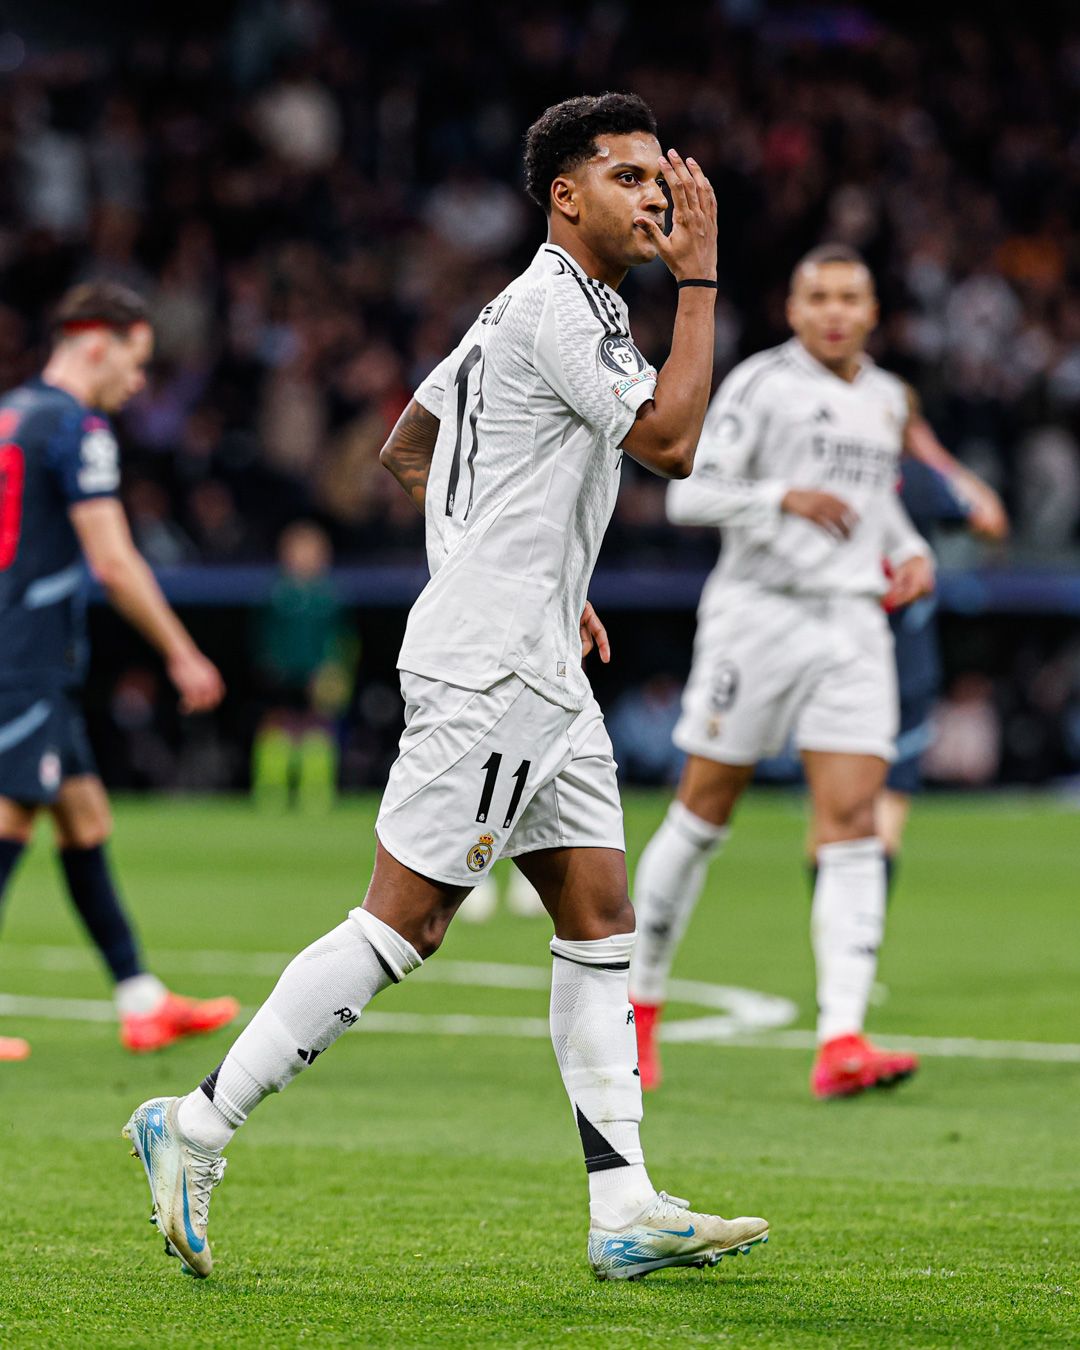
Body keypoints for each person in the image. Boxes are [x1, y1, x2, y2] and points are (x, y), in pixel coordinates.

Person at [124, 92, 769, 1283]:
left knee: (596, 915)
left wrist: (534, 561)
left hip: (534, 654)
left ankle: (622, 1205)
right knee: (405, 919)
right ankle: (195, 1123)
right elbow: (675, 444)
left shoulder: (519, 312)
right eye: (627, 177)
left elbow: (409, 444)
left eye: (657, 179)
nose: (656, 197)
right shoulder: (558, 305)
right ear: (564, 195)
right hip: (493, 664)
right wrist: (706, 282)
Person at [628, 244, 934, 1100]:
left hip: (852, 626)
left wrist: (910, 553)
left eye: (850, 297)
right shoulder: (761, 385)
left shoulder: (884, 399)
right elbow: (686, 494)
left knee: (853, 821)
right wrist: (781, 498)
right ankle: (638, 1010)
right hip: (758, 615)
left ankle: (841, 1036)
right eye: (818, 296)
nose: (835, 311)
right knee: (704, 809)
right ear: (793, 310)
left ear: (872, 312)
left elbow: (881, 508)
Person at [0, 282, 238, 1063]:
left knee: (85, 816)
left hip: (29, 652)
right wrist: (181, 649)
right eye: (136, 362)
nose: (140, 383)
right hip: (23, 656)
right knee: (11, 820)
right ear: (97, 343)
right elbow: (111, 557)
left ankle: (140, 998)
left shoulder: (13, 414)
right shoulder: (77, 427)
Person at [250, 520, 356, 814]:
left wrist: (335, 670)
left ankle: (315, 792)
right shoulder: (276, 594)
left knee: (317, 730)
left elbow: (342, 638)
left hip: (318, 675)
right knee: (277, 728)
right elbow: (263, 636)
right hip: (282, 675)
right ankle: (271, 790)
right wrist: (269, 667)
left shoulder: (330, 596)